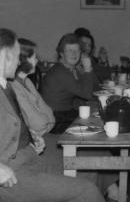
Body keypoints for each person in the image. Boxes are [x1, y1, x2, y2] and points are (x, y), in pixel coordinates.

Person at [0, 28, 105, 202]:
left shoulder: (7, 86)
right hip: (13, 173)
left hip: (30, 155)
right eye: (17, 55)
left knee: (88, 169)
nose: (20, 62)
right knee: (86, 190)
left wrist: (30, 137)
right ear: (5, 55)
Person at [41, 33, 96, 134]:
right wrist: (87, 68)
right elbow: (87, 94)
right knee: (94, 123)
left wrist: (82, 69)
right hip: (54, 119)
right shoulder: (61, 72)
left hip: (64, 113)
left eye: (77, 50)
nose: (74, 54)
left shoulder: (69, 68)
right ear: (62, 53)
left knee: (96, 115)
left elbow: (92, 87)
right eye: (69, 50)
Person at [11, 42, 55, 155]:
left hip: (42, 135)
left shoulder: (27, 81)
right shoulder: (13, 86)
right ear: (21, 61)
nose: (37, 61)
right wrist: (47, 122)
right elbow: (36, 122)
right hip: (28, 144)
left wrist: (47, 122)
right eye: (34, 58)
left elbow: (47, 110)